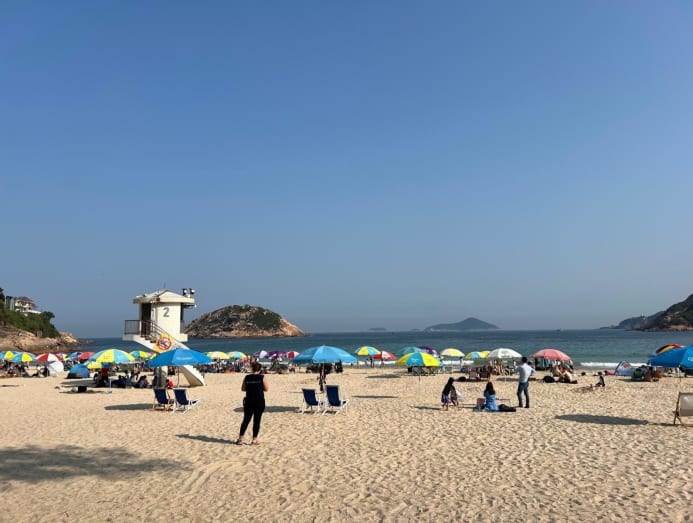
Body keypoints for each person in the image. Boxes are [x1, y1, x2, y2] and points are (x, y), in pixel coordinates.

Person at [236, 362, 268, 445]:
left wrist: (251, 387)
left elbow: (243, 389)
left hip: (249, 401)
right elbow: (266, 389)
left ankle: (240, 439)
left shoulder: (247, 377)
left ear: (252, 369)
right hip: (259, 401)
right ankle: (254, 439)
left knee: (246, 420)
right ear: (260, 369)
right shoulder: (262, 377)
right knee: (257, 421)